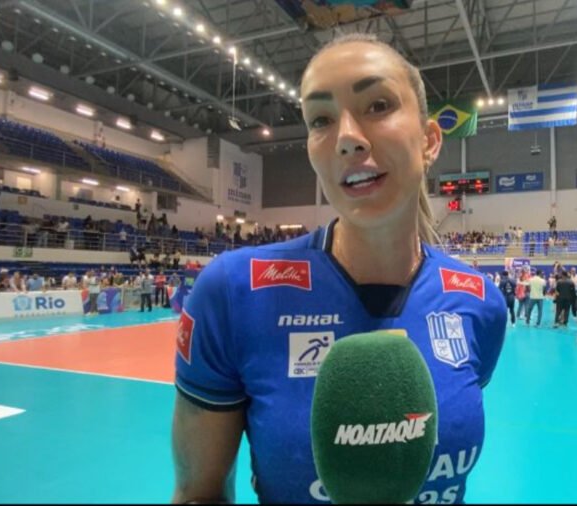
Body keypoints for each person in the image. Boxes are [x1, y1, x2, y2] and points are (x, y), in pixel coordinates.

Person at [171, 33, 507, 505]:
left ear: (430, 141)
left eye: (378, 105)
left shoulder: (479, 301)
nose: (347, 137)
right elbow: (197, 494)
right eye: (321, 119)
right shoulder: (233, 292)